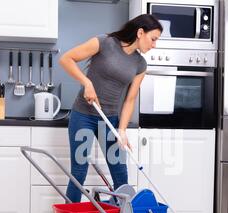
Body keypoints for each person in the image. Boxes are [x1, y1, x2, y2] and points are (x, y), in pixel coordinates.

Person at [59, 14, 163, 203]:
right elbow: (66, 59)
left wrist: (121, 130)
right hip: (83, 116)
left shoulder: (140, 64)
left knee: (120, 175)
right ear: (140, 32)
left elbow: (130, 100)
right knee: (79, 171)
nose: (154, 45)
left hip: (110, 120)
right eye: (153, 39)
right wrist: (86, 82)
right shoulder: (105, 42)